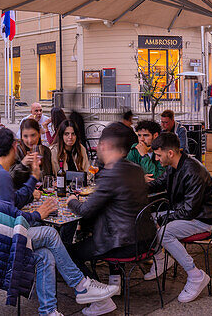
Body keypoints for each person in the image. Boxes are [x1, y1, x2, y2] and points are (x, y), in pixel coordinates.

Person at [0, 128, 118, 316]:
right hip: (2, 239)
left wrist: (32, 179)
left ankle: (48, 311)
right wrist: (38, 214)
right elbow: (11, 217)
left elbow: (12, 202)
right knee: (50, 233)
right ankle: (81, 285)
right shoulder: (2, 176)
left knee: (46, 255)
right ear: (14, 146)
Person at [65, 124, 154, 315]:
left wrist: (71, 201)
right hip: (146, 238)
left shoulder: (111, 174)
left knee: (68, 252)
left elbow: (86, 210)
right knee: (88, 233)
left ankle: (100, 300)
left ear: (105, 146)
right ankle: (110, 282)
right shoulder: (135, 169)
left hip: (123, 243)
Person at [144, 132, 212, 303]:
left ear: (169, 153)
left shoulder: (192, 171)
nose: (156, 159)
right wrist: (136, 186)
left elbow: (188, 212)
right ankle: (161, 260)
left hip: (202, 220)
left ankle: (195, 275)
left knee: (164, 232)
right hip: (189, 213)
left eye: (158, 155)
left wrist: (162, 220)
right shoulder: (175, 165)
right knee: (147, 219)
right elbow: (159, 183)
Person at [15, 118, 54, 185]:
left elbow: (48, 178)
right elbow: (12, 179)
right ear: (21, 136)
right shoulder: (16, 151)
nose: (30, 140)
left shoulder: (46, 151)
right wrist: (23, 164)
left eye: (33, 135)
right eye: (25, 136)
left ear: (39, 134)